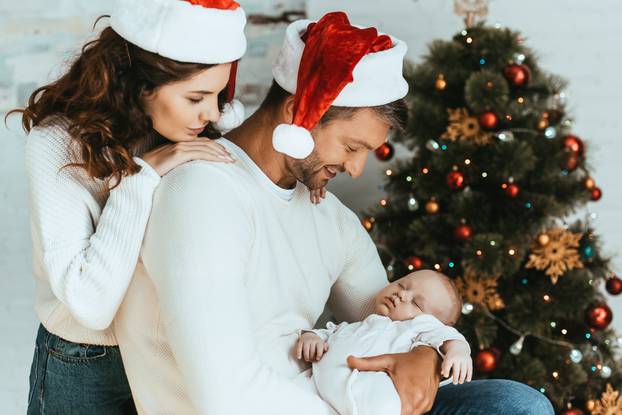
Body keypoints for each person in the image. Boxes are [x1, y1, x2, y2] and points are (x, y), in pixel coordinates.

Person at [114, 11, 555, 415]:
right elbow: (226, 397)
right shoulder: (201, 193)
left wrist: (426, 353)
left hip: (334, 397)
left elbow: (392, 318)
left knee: (516, 405)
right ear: (297, 113)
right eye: (351, 146)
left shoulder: (330, 218)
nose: (356, 168)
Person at [8, 0, 248, 413]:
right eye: (196, 97)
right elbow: (91, 306)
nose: (211, 112)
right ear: (138, 86)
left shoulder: (187, 127)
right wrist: (142, 177)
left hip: (165, 352)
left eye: (218, 94)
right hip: (85, 360)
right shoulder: (55, 143)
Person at [295, 270, 473, 415]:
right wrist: (312, 337)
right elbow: (333, 332)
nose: (402, 294)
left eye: (417, 303)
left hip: (369, 399)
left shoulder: (415, 328)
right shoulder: (362, 324)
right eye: (402, 284)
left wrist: (459, 351)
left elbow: (447, 335)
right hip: (317, 391)